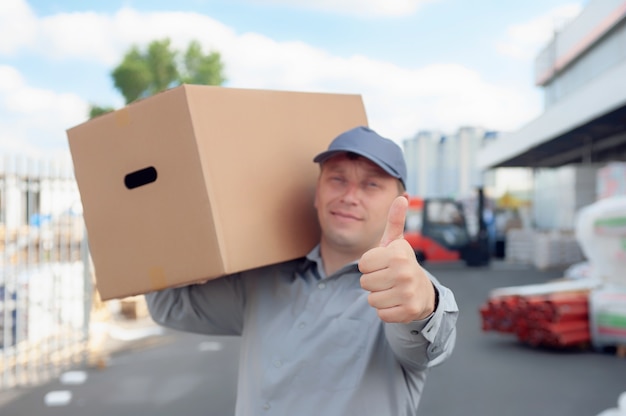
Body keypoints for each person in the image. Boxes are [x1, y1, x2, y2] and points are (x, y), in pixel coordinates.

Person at [145, 125, 458, 416]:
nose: (350, 197)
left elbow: (428, 336)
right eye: (337, 179)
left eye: (371, 184)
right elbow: (168, 306)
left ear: (398, 202)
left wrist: (424, 303)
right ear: (317, 191)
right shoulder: (263, 282)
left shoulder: (394, 293)